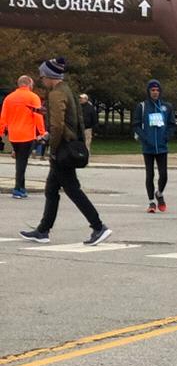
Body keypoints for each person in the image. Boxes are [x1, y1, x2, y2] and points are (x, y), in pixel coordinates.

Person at [20, 57, 109, 247]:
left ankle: (98, 226)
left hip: (62, 148)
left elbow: (58, 125)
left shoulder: (55, 94)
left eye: (43, 76)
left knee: (72, 189)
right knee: (51, 190)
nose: (42, 80)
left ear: (49, 76)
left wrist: (51, 147)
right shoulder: (67, 90)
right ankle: (43, 230)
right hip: (69, 144)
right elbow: (72, 119)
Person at [1, 73, 47, 200]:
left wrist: (1, 132)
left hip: (14, 135)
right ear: (29, 84)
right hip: (27, 135)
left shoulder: (9, 98)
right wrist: (42, 132)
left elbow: (3, 117)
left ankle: (22, 187)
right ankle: (17, 188)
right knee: (22, 161)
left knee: (20, 160)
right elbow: (38, 116)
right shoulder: (33, 97)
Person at [134, 79, 176, 211]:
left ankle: (159, 193)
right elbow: (136, 125)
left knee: (164, 175)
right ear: (148, 91)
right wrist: (145, 138)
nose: (155, 92)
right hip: (148, 147)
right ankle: (151, 202)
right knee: (150, 174)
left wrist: (166, 137)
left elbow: (171, 124)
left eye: (157, 90)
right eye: (152, 90)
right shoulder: (142, 106)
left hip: (162, 147)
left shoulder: (166, 107)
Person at [78, 88, 97, 154]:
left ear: (86, 99)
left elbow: (94, 119)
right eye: (80, 98)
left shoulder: (90, 108)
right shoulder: (78, 107)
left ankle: (86, 154)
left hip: (87, 128)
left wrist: (94, 129)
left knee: (87, 143)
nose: (80, 99)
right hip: (79, 128)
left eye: (82, 98)